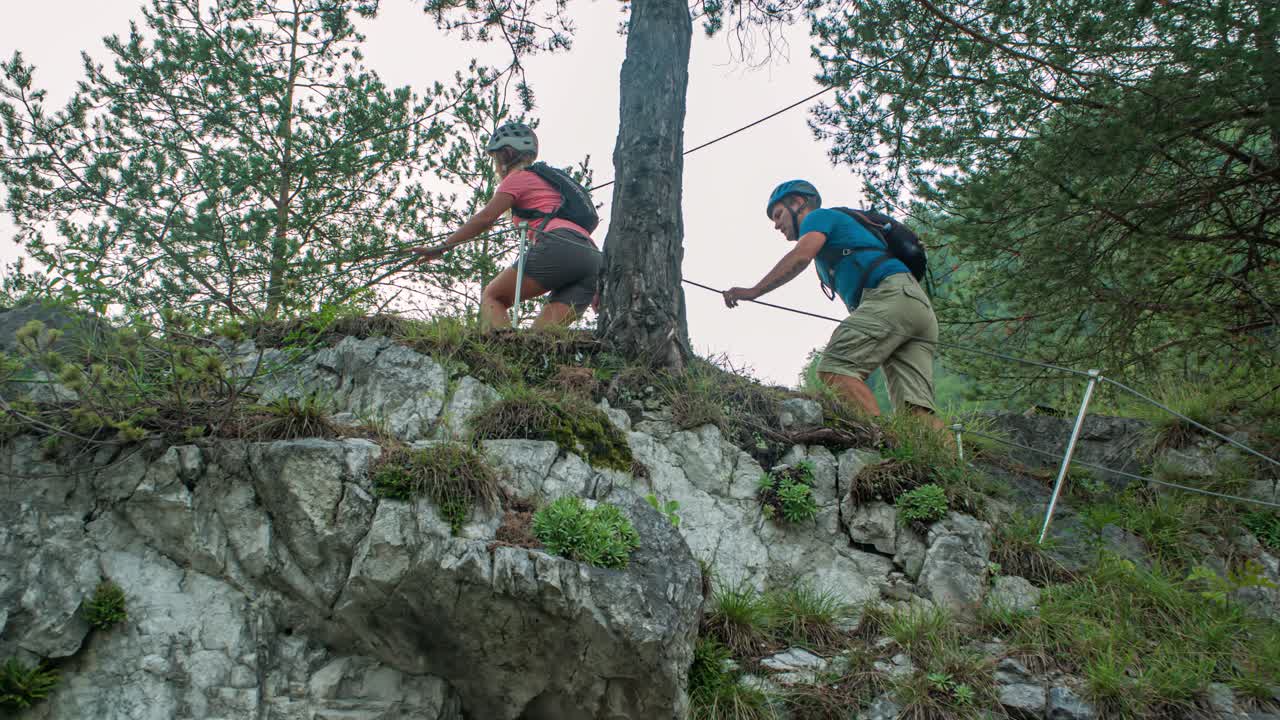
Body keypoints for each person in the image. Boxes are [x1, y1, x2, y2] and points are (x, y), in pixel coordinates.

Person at [722, 180, 942, 428]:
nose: (776, 225)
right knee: (917, 411)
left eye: (778, 214)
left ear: (798, 203)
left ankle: (882, 441)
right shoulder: (836, 237)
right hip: (914, 305)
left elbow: (800, 256)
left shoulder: (817, 217)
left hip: (891, 296)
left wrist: (754, 291)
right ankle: (946, 455)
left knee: (837, 367)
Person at [415, 122, 602, 330]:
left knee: (493, 296)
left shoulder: (519, 177)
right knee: (541, 338)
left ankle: (501, 349)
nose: (495, 165)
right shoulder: (548, 183)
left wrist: (442, 247)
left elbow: (485, 218)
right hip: (592, 259)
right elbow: (577, 245)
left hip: (559, 245)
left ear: (506, 154)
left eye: (495, 158)